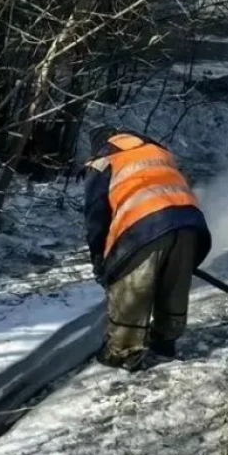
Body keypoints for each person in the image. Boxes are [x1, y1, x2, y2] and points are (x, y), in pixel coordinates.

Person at [81, 125, 212, 370]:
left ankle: (121, 352)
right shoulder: (158, 151)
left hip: (144, 226)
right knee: (173, 284)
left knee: (133, 288)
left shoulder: (103, 161)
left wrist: (100, 260)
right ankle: (165, 343)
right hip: (189, 222)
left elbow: (96, 217)